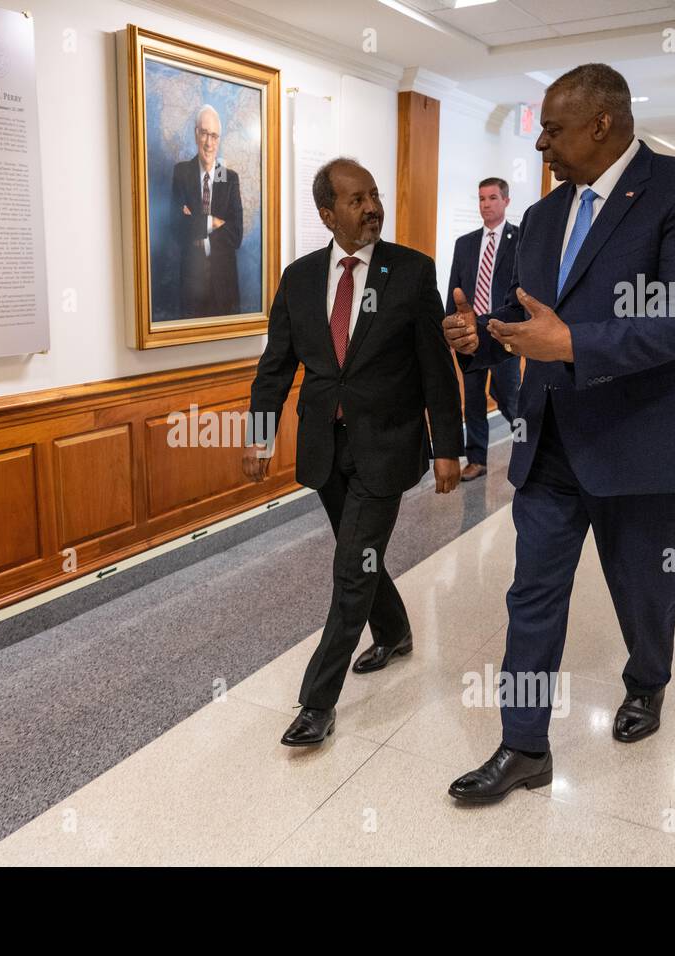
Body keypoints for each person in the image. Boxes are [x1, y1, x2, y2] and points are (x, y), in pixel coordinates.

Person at [442, 63, 675, 803]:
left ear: (603, 123)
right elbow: (522, 311)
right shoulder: (540, 218)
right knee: (532, 593)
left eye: (554, 128)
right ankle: (524, 745)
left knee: (644, 590)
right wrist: (480, 334)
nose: (541, 143)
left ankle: (647, 682)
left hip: (645, 443)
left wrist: (572, 344)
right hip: (552, 444)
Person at [243, 157, 463, 747]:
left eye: (374, 196)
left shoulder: (411, 272)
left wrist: (448, 446)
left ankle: (317, 702)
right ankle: (393, 631)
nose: (371, 208)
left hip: (387, 446)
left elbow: (434, 366)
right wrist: (259, 432)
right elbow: (276, 366)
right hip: (325, 447)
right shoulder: (299, 278)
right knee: (358, 555)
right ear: (327, 213)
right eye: (356, 200)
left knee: (349, 568)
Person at [445, 177, 521, 481]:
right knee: (473, 400)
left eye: (492, 198)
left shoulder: (520, 239)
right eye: (481, 199)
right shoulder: (465, 244)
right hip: (471, 336)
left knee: (508, 398)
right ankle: (477, 459)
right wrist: (451, 330)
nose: (486, 204)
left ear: (505, 201)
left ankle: (529, 446)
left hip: (504, 333)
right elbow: (455, 288)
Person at [170, 105, 242, 319]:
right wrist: (213, 222)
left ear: (219, 139)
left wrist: (196, 224)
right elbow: (176, 228)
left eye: (214, 135)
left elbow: (236, 235)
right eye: (204, 133)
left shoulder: (228, 177)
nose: (209, 143)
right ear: (195, 134)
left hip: (224, 286)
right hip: (191, 284)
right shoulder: (181, 172)